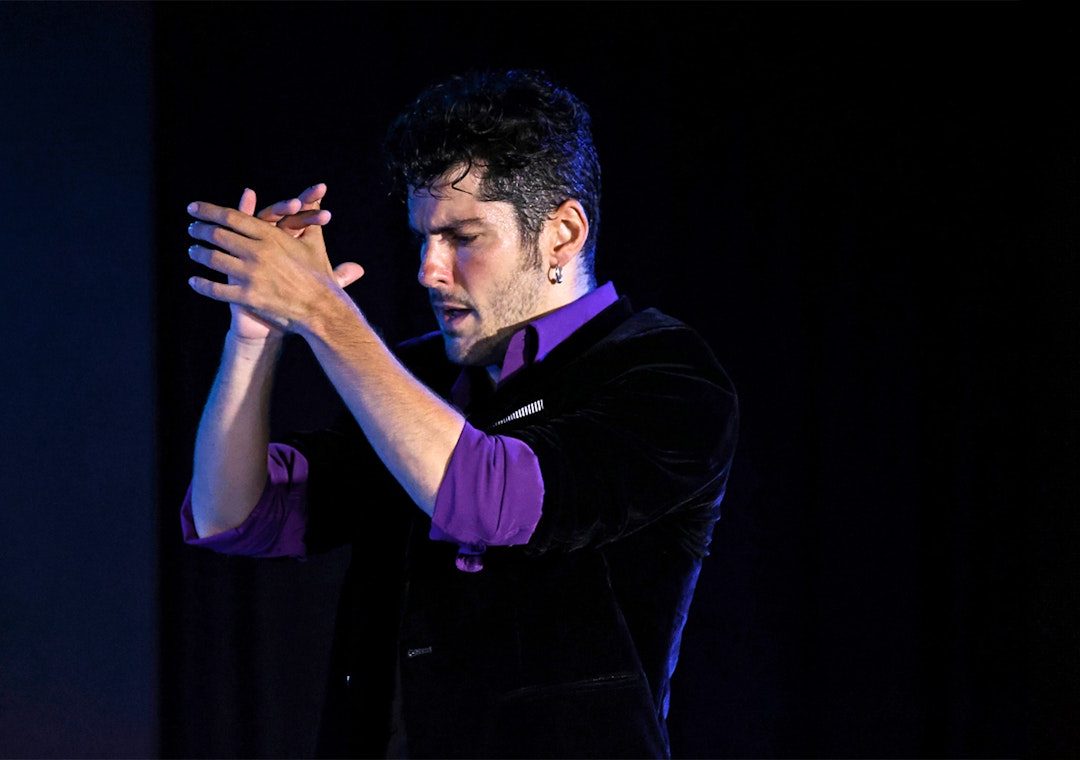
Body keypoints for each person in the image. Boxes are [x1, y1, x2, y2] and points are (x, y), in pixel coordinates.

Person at [180, 68, 739, 759]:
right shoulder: (418, 375)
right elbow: (234, 517)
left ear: (562, 234)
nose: (427, 268)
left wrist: (324, 311)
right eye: (423, 237)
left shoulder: (665, 374)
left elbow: (491, 500)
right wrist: (254, 338)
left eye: (462, 237)